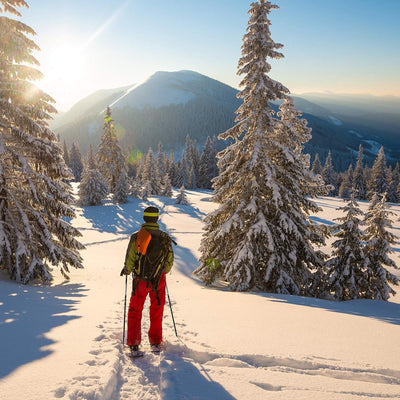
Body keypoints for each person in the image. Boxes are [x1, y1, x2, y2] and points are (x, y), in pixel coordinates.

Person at [121, 206, 174, 356]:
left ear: (144, 218)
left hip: (140, 280)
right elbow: (169, 261)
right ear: (157, 219)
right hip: (159, 280)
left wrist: (127, 269)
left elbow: (131, 258)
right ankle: (155, 342)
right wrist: (162, 272)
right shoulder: (165, 237)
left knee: (135, 310)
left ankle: (133, 343)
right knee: (157, 310)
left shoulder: (137, 236)